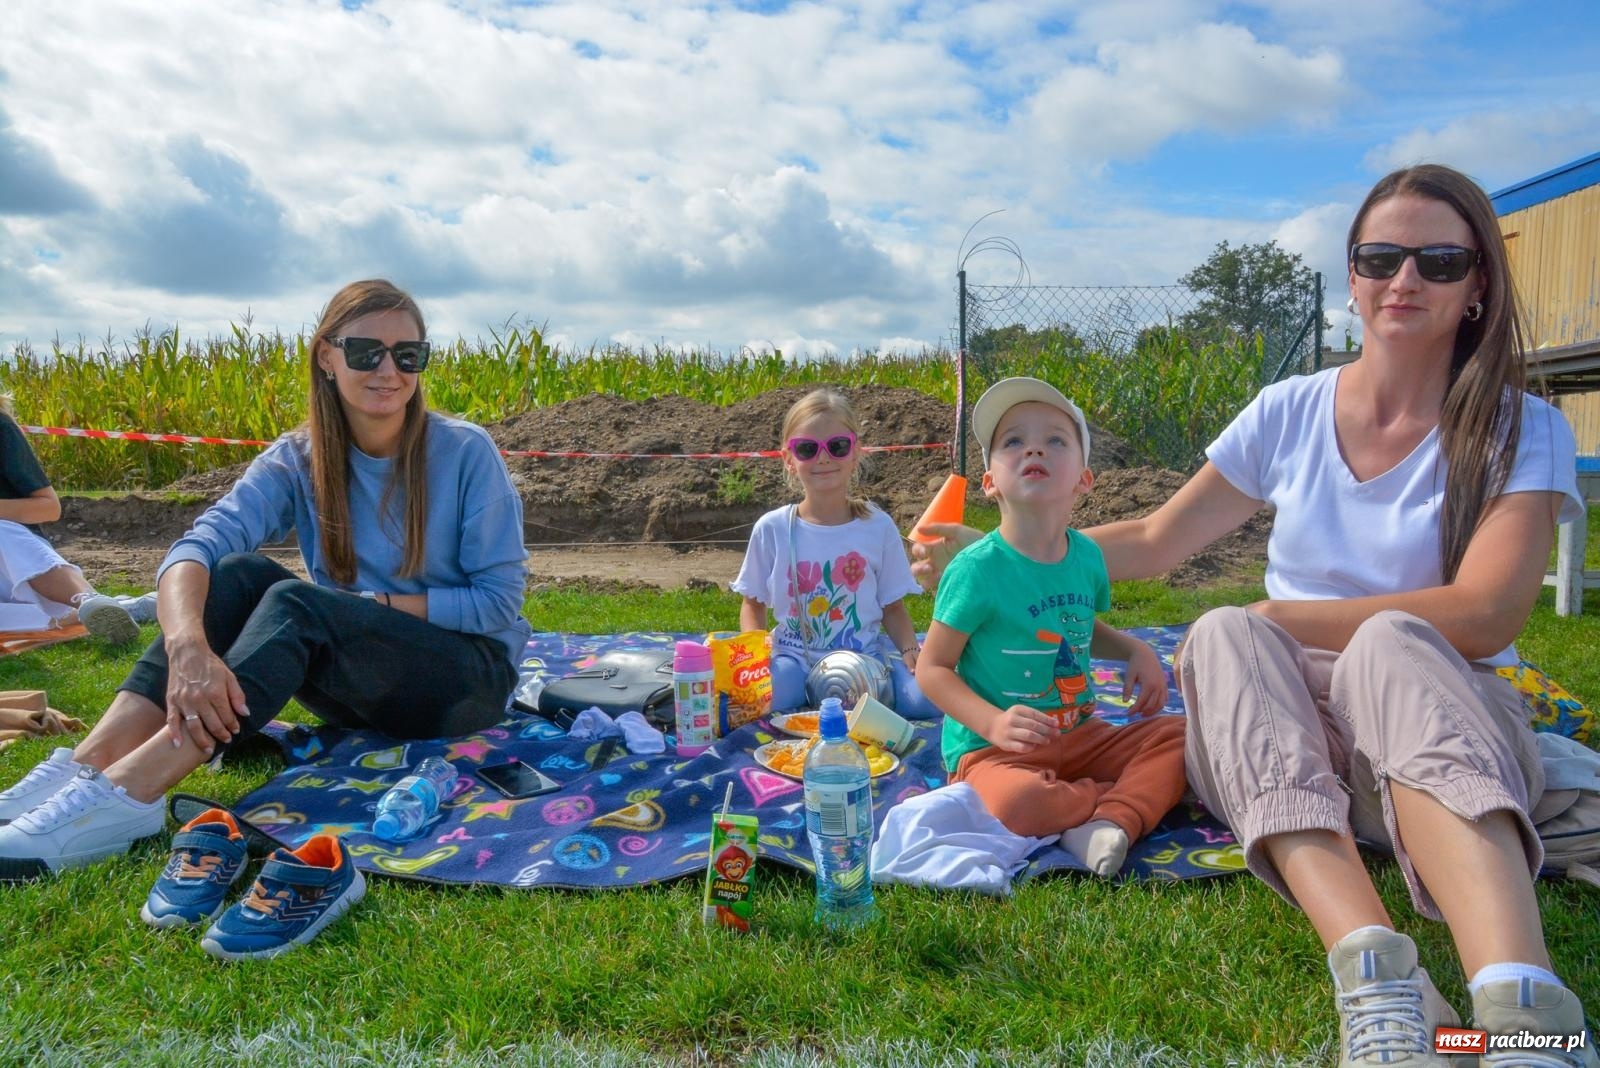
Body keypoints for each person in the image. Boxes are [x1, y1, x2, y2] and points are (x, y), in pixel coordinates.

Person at [914, 166, 1593, 1064]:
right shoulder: (1290, 410)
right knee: (1224, 635)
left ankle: (1523, 1008)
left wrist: (1283, 613)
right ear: (1352, 275)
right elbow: (1155, 538)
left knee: (1374, 640)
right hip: (1297, 745)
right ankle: (1383, 983)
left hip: (1439, 718)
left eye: (1437, 261)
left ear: (1476, 287)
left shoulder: (1521, 426)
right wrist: (996, 555)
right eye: (1380, 258)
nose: (1403, 279)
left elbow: (1487, 613)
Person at [0, 279, 534, 889]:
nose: (389, 371)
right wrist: (188, 648)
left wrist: (367, 606)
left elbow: (498, 603)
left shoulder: (464, 451)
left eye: (408, 355)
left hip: (467, 682)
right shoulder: (299, 457)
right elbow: (197, 547)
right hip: (361, 687)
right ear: (327, 356)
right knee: (236, 573)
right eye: (367, 352)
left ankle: (131, 791)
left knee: (296, 603)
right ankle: (87, 764)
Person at [916, 377, 1181, 877]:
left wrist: (1134, 650)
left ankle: (1104, 818)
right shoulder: (976, 570)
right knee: (1019, 804)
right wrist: (992, 723)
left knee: (1183, 737)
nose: (1034, 448)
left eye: (1055, 440)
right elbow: (932, 669)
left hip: (1079, 733)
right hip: (996, 751)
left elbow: (1078, 627)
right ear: (990, 482)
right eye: (1013, 440)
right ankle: (1114, 805)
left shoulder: (1087, 557)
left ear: (1084, 479)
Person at [732, 388, 937, 717]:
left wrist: (911, 649)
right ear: (788, 459)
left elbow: (893, 607)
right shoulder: (772, 529)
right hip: (794, 661)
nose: (824, 458)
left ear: (855, 453)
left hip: (863, 662)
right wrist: (755, 661)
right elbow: (752, 603)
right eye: (807, 449)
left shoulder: (878, 527)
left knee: (927, 700)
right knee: (758, 700)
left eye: (837, 446)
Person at [0, 397, 153, 643]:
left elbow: (50, 508)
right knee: (29, 620)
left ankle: (87, 599)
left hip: (14, 560)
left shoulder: (2, 428)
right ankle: (122, 609)